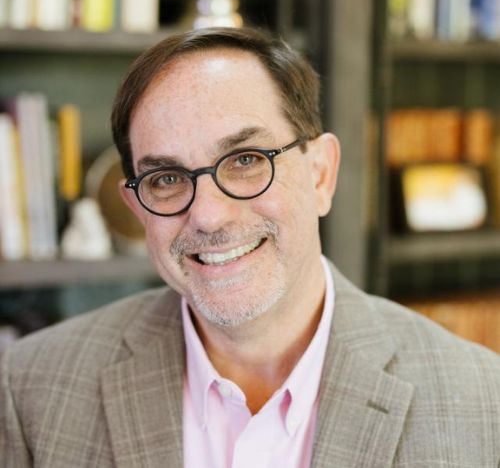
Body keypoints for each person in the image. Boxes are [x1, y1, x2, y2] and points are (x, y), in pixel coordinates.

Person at [1, 27, 499, 468]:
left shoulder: (484, 404)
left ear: (321, 174)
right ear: (138, 209)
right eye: (167, 178)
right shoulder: (30, 389)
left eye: (245, 159)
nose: (209, 215)